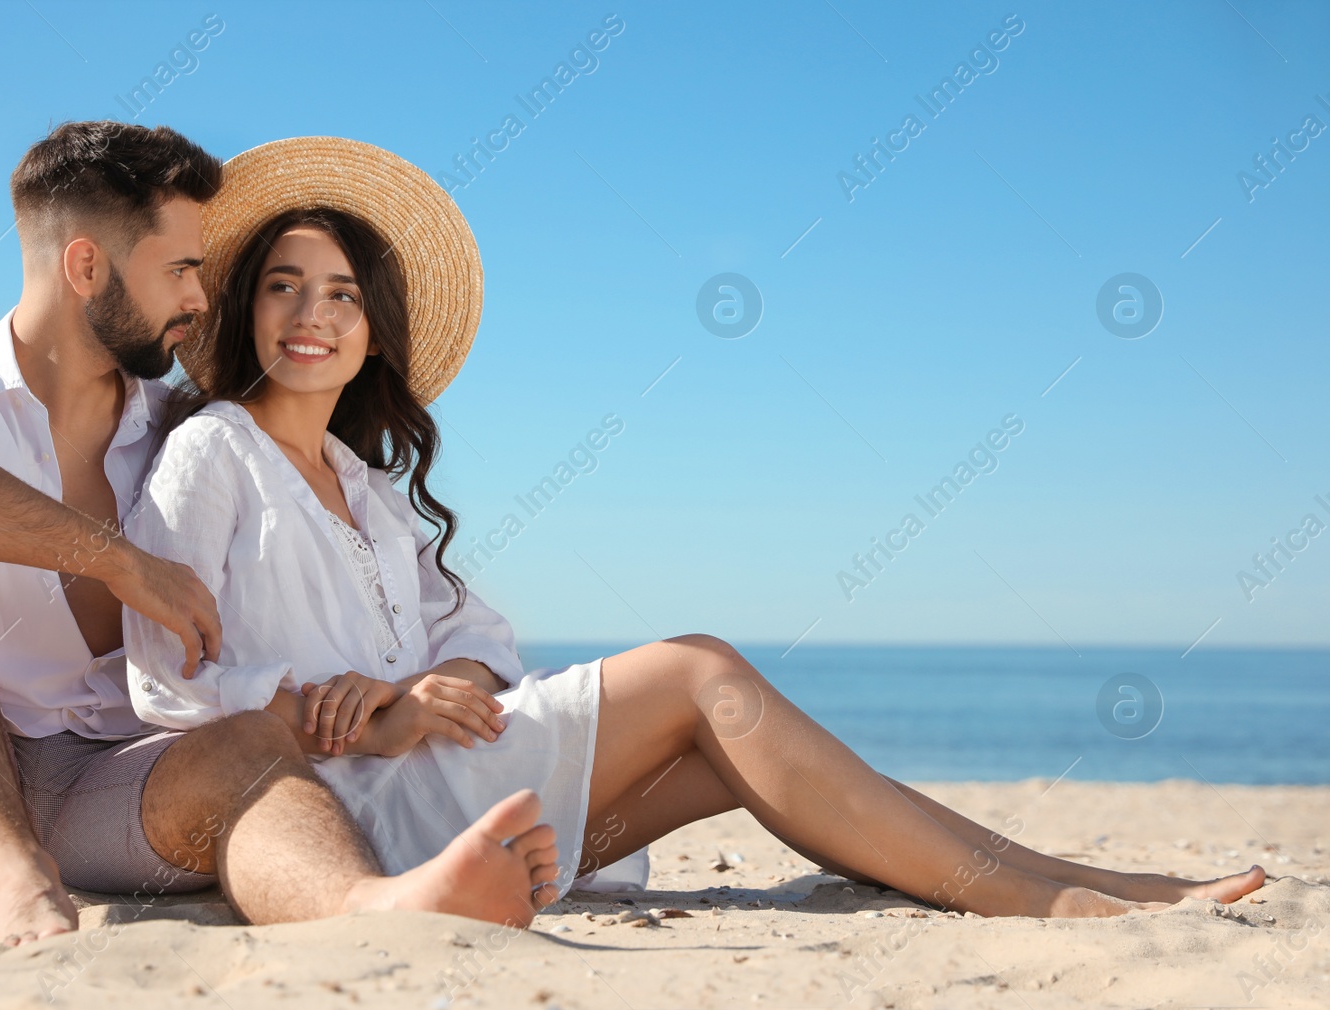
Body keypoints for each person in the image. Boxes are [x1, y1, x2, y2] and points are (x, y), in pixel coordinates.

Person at [126, 136, 1269, 919]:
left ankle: (1045, 872)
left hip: (435, 770)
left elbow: (478, 636)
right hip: (346, 809)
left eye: (340, 292)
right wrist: (357, 717)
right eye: (284, 285)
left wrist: (434, 683)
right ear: (246, 307)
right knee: (700, 670)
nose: (311, 314)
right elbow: (164, 684)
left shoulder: (365, 483)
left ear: (371, 328)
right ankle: (1046, 892)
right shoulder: (211, 449)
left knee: (734, 757)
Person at [0, 121, 562, 946]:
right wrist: (125, 564)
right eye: (180, 272)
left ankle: (372, 908)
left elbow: (415, 597)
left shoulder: (196, 435)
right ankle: (11, 875)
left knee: (246, 741)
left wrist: (387, 692)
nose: (200, 302)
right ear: (87, 265)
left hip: (103, 784)